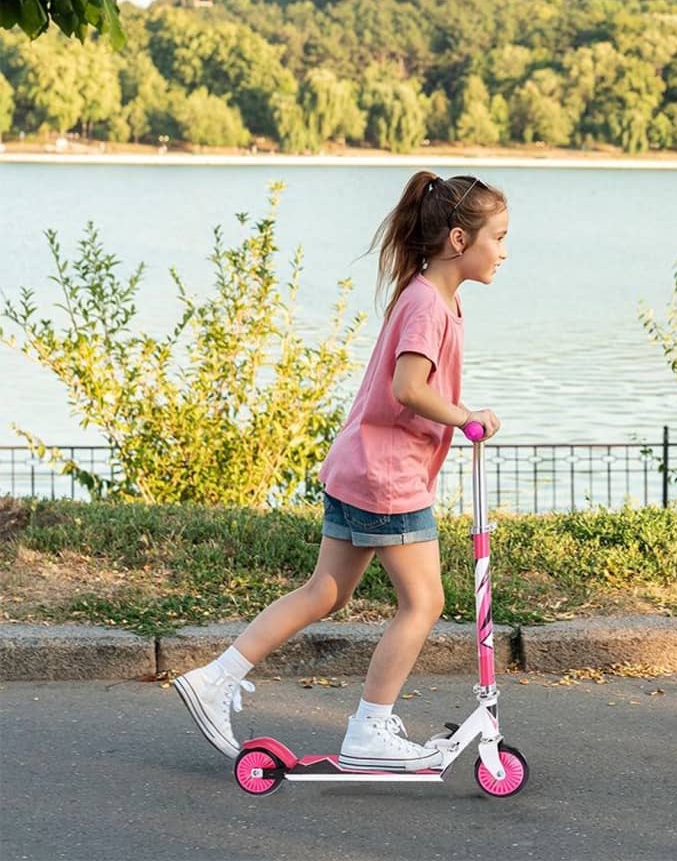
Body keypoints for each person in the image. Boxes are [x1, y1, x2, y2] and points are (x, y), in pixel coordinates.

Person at [174, 170, 509, 771]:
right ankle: (370, 727)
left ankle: (216, 677)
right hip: (387, 477)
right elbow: (408, 387)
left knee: (325, 591)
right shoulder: (428, 305)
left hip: (363, 467)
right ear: (460, 239)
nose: (505, 252)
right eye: (499, 238)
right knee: (424, 602)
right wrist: (465, 417)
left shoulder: (428, 296)